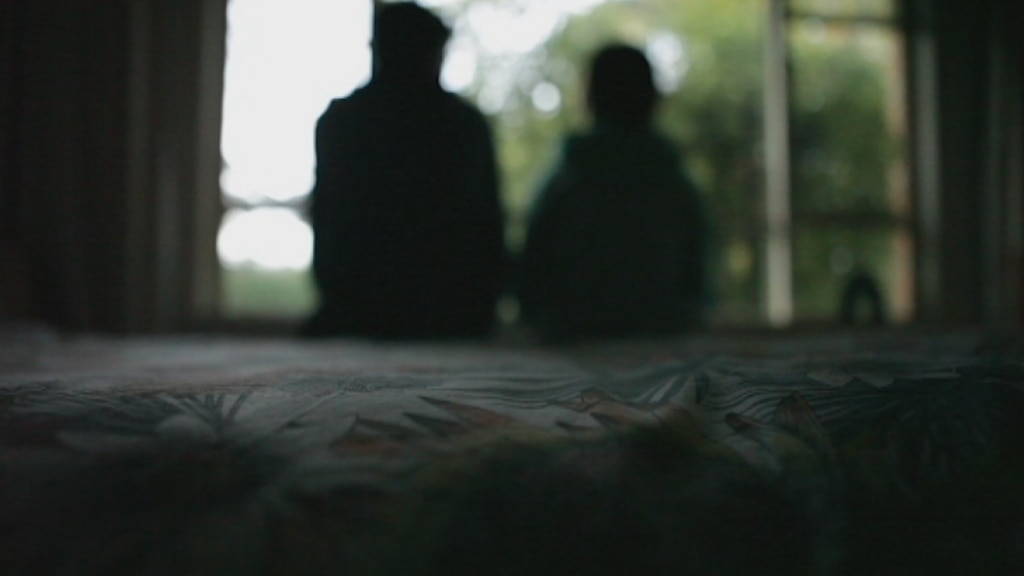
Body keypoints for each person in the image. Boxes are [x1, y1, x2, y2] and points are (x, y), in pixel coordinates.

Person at [305, 2, 506, 339]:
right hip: (452, 309)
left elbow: (328, 218)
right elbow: (489, 225)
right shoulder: (464, 125)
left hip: (357, 307)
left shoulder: (342, 121)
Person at [518, 44, 708, 341]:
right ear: (652, 97)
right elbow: (696, 268)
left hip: (572, 328)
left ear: (590, 97)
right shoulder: (672, 179)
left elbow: (534, 260)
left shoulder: (568, 176)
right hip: (661, 326)